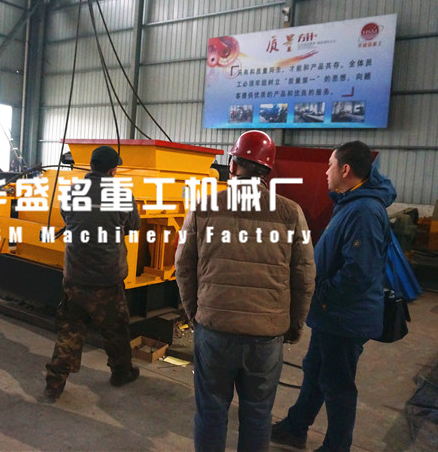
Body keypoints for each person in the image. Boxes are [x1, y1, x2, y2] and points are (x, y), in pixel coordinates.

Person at [175, 130, 316, 451]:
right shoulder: (290, 212)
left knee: (211, 412)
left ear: (233, 166)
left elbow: (183, 266)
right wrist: (293, 326)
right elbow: (305, 276)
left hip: (214, 331)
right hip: (265, 337)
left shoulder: (204, 207)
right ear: (267, 171)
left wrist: (196, 314)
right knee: (257, 415)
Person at [271, 141, 396, 451]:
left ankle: (337, 446)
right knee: (315, 370)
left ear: (345, 169)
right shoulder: (350, 203)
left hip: (344, 316)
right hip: (331, 314)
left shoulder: (364, 211)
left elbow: (358, 273)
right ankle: (295, 427)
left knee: (337, 384)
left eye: (330, 165)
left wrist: (321, 293)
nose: (326, 172)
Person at [41, 145, 142, 403]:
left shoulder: (72, 192)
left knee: (69, 331)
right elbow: (134, 225)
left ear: (91, 165)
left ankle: (54, 383)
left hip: (75, 276)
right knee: (116, 329)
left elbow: (67, 218)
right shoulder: (122, 194)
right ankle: (121, 373)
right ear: (113, 170)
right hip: (107, 279)